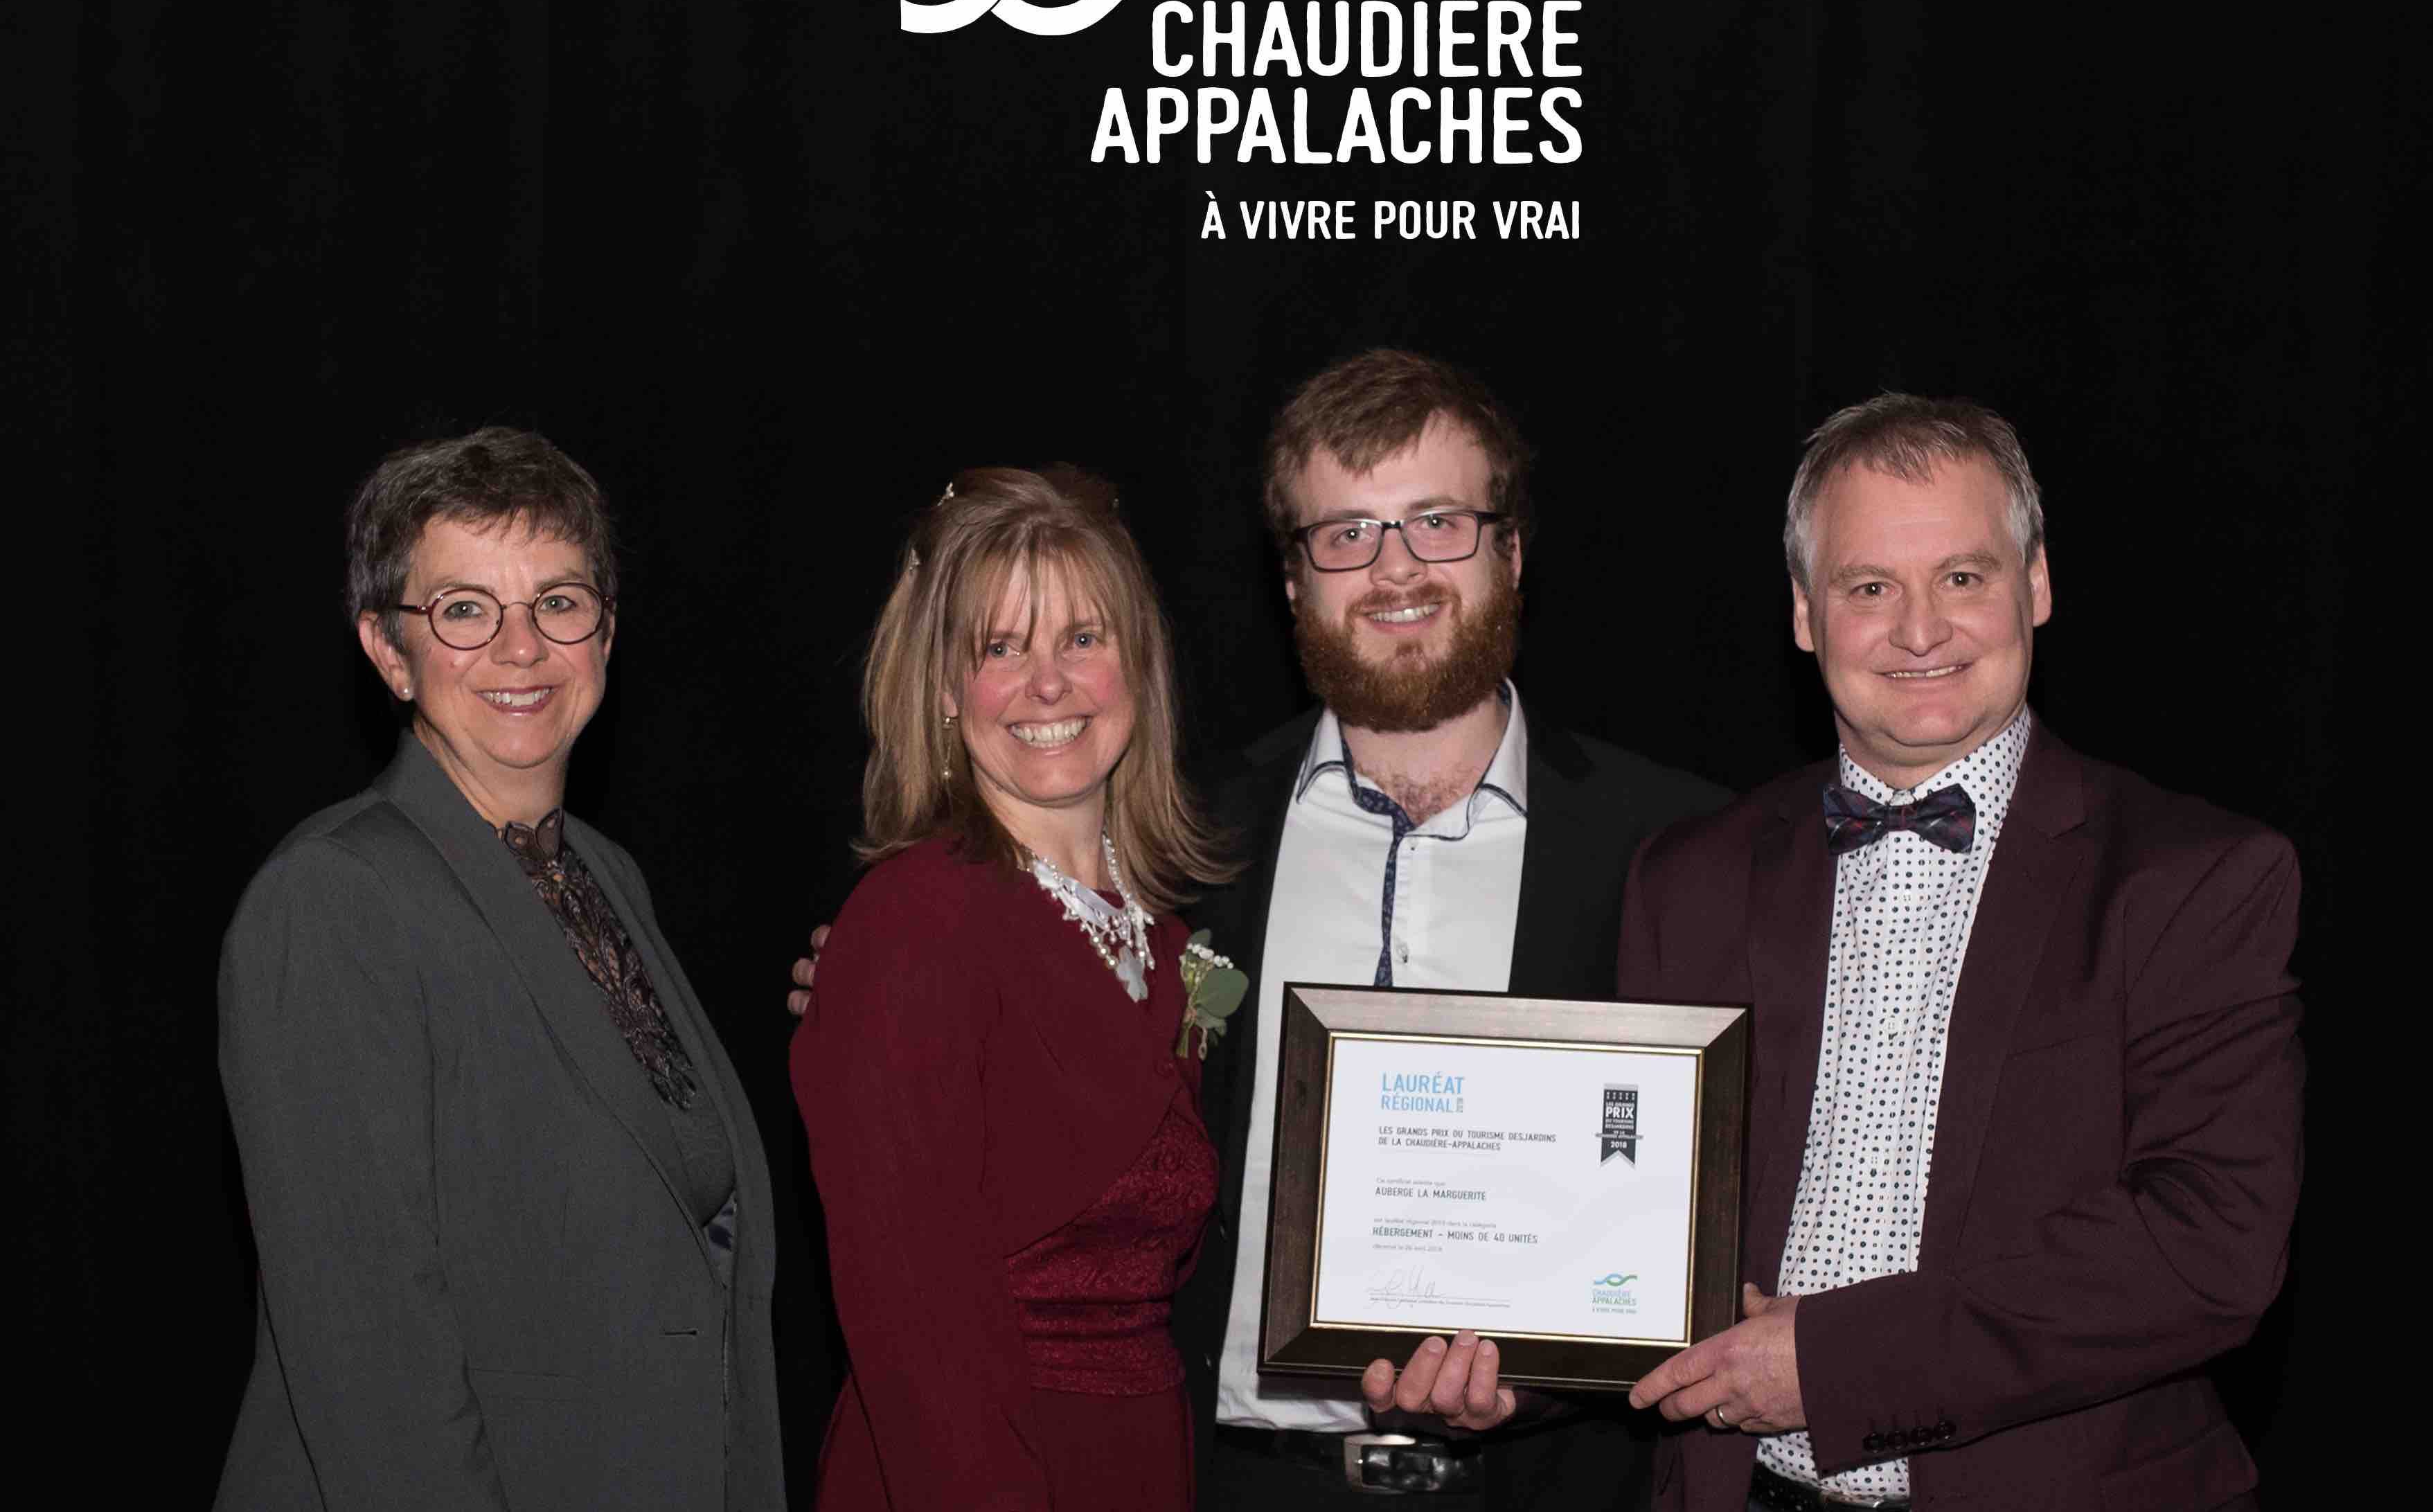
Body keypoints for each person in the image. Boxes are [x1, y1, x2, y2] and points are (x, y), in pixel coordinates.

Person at [792, 352, 1729, 1507]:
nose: (1395, 568)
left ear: (1513, 552)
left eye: (1438, 522)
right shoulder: (1200, 846)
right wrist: (870, 988)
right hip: (1223, 1482)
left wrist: (1545, 1375)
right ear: (1291, 580)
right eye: (1347, 533)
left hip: (1536, 1486)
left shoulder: (1670, 849)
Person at [1382, 395, 2305, 1511]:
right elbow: (1631, 1222)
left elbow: (2207, 1247)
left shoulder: (2193, 878)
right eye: (1870, 587)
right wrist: (1513, 1371)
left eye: (1962, 576)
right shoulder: (1690, 874)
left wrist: (1831, 1365)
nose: (1920, 630)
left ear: (2036, 585)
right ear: (1805, 614)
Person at [217, 428, 784, 1511]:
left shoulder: (604, 875)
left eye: (557, 602)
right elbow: (374, 1358)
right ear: (390, 650)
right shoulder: (333, 899)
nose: (521, 647)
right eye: (465, 610)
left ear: (605, 630)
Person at [789, 466, 1236, 1511]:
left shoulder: (1180, 948)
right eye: (1001, 648)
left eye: (1082, 637)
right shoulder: (911, 922)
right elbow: (918, 1335)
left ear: (1138, 664)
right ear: (946, 689)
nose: (1048, 684)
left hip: (1141, 1464)